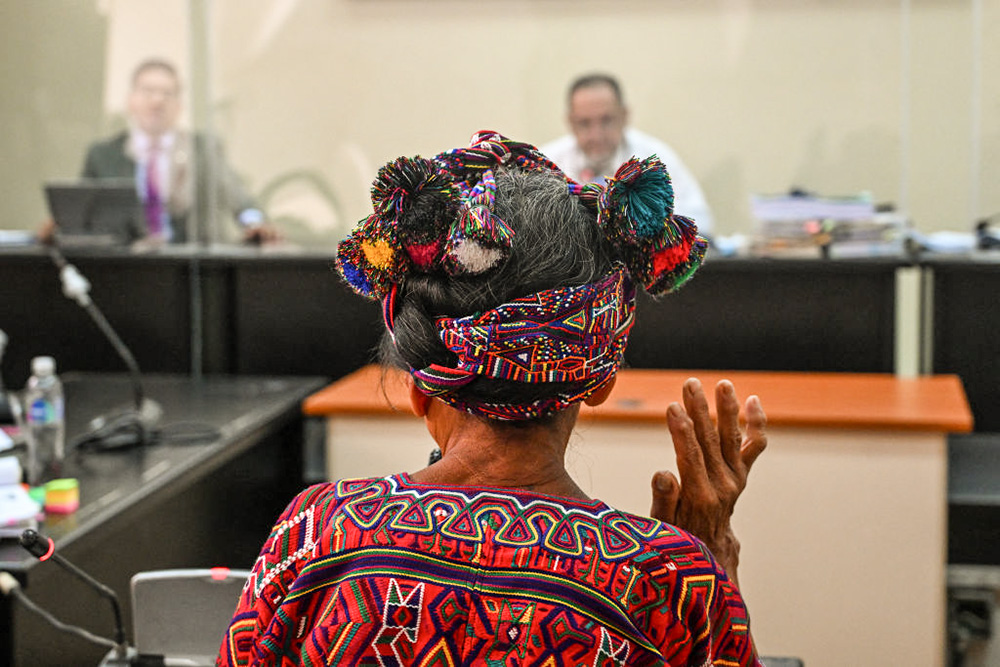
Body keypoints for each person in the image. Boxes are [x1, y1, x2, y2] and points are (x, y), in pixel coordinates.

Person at [218, 131, 766, 665]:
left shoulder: (318, 534)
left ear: (418, 382)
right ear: (601, 380)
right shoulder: (663, 583)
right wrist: (710, 584)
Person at [44, 58, 275, 244]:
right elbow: (82, 216)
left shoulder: (203, 150)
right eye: (148, 92)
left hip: (189, 268)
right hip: (124, 270)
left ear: (179, 105)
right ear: (130, 100)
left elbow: (241, 201)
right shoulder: (103, 154)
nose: (157, 101)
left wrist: (254, 223)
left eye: (167, 94)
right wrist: (61, 226)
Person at [541, 73, 715, 236]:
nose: (597, 135)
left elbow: (699, 221)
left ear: (624, 116)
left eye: (606, 120)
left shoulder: (654, 159)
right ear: (570, 122)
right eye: (584, 123)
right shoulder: (546, 162)